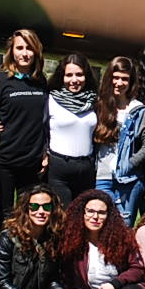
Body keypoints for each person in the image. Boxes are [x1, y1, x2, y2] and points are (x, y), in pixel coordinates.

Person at [0, 185, 72, 289]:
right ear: (26, 209)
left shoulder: (53, 238)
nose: (40, 211)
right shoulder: (7, 238)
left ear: (53, 210)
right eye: (34, 206)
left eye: (46, 207)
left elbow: (52, 278)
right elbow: (2, 284)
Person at [0, 29, 50, 221]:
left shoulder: (41, 81)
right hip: (5, 161)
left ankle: (25, 252)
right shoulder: (0, 81)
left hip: (32, 162)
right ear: (12, 52)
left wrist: (45, 152)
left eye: (29, 48)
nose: (25, 53)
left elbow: (46, 120)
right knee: (5, 216)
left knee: (29, 216)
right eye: (20, 48)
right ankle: (2, 252)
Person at [92, 55, 145, 222]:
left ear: (131, 82)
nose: (119, 83)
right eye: (115, 78)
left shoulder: (139, 110)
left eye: (124, 79)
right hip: (101, 178)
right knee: (100, 226)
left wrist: (131, 163)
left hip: (129, 180)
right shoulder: (98, 106)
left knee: (124, 228)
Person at [45, 53, 99, 204]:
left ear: (86, 76)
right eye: (69, 75)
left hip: (86, 168)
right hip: (59, 168)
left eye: (79, 75)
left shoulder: (94, 101)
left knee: (82, 218)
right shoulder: (51, 99)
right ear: (62, 77)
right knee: (63, 219)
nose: (74, 80)